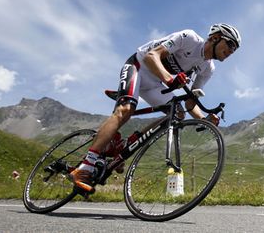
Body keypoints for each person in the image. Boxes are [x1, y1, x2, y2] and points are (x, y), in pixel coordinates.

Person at [69, 23, 241, 192]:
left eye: (235, 49)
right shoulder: (189, 38)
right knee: (126, 109)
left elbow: (190, 101)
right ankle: (85, 166)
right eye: (230, 44)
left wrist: (204, 120)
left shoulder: (208, 69)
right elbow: (152, 56)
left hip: (155, 84)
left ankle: (129, 143)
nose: (232, 51)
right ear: (215, 37)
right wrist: (169, 79)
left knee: (178, 114)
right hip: (139, 67)